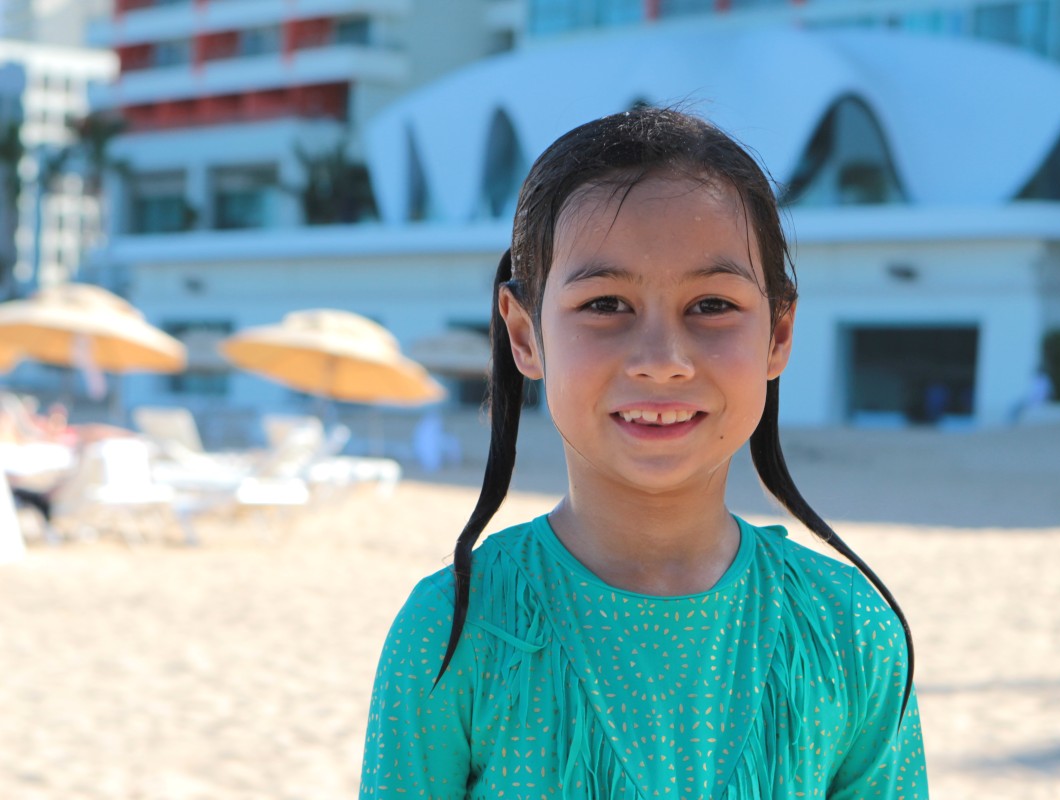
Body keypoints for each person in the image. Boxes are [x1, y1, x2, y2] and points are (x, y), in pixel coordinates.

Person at [359, 107, 928, 798]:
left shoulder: (850, 630)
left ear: (778, 335)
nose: (662, 360)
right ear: (525, 336)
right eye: (605, 305)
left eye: (712, 305)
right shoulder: (452, 631)